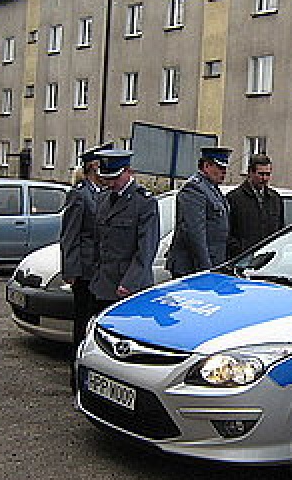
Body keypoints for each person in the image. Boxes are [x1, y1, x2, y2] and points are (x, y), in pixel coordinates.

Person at [60, 143, 108, 390]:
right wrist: (71, 270)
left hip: (101, 271)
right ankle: (76, 375)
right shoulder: (80, 195)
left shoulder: (103, 192)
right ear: (93, 167)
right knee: (82, 324)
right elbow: (70, 235)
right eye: (103, 165)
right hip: (85, 271)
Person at [89, 149, 160, 314]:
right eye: (107, 179)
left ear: (128, 172)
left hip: (128, 288)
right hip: (101, 285)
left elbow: (146, 250)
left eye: (115, 178)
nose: (111, 183)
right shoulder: (103, 198)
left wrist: (129, 283)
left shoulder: (144, 202)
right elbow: (98, 241)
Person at [165, 146, 232, 277]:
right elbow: (195, 233)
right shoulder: (194, 189)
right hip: (192, 266)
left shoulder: (212, 188)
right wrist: (205, 269)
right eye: (220, 168)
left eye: (225, 169)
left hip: (213, 262)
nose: (224, 173)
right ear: (207, 166)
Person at [226, 154, 284, 257]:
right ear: (250, 173)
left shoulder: (275, 199)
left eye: (268, 174)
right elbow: (228, 232)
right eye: (261, 174)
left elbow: (280, 229)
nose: (264, 178)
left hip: (268, 257)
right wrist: (239, 250)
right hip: (243, 257)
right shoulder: (234, 198)